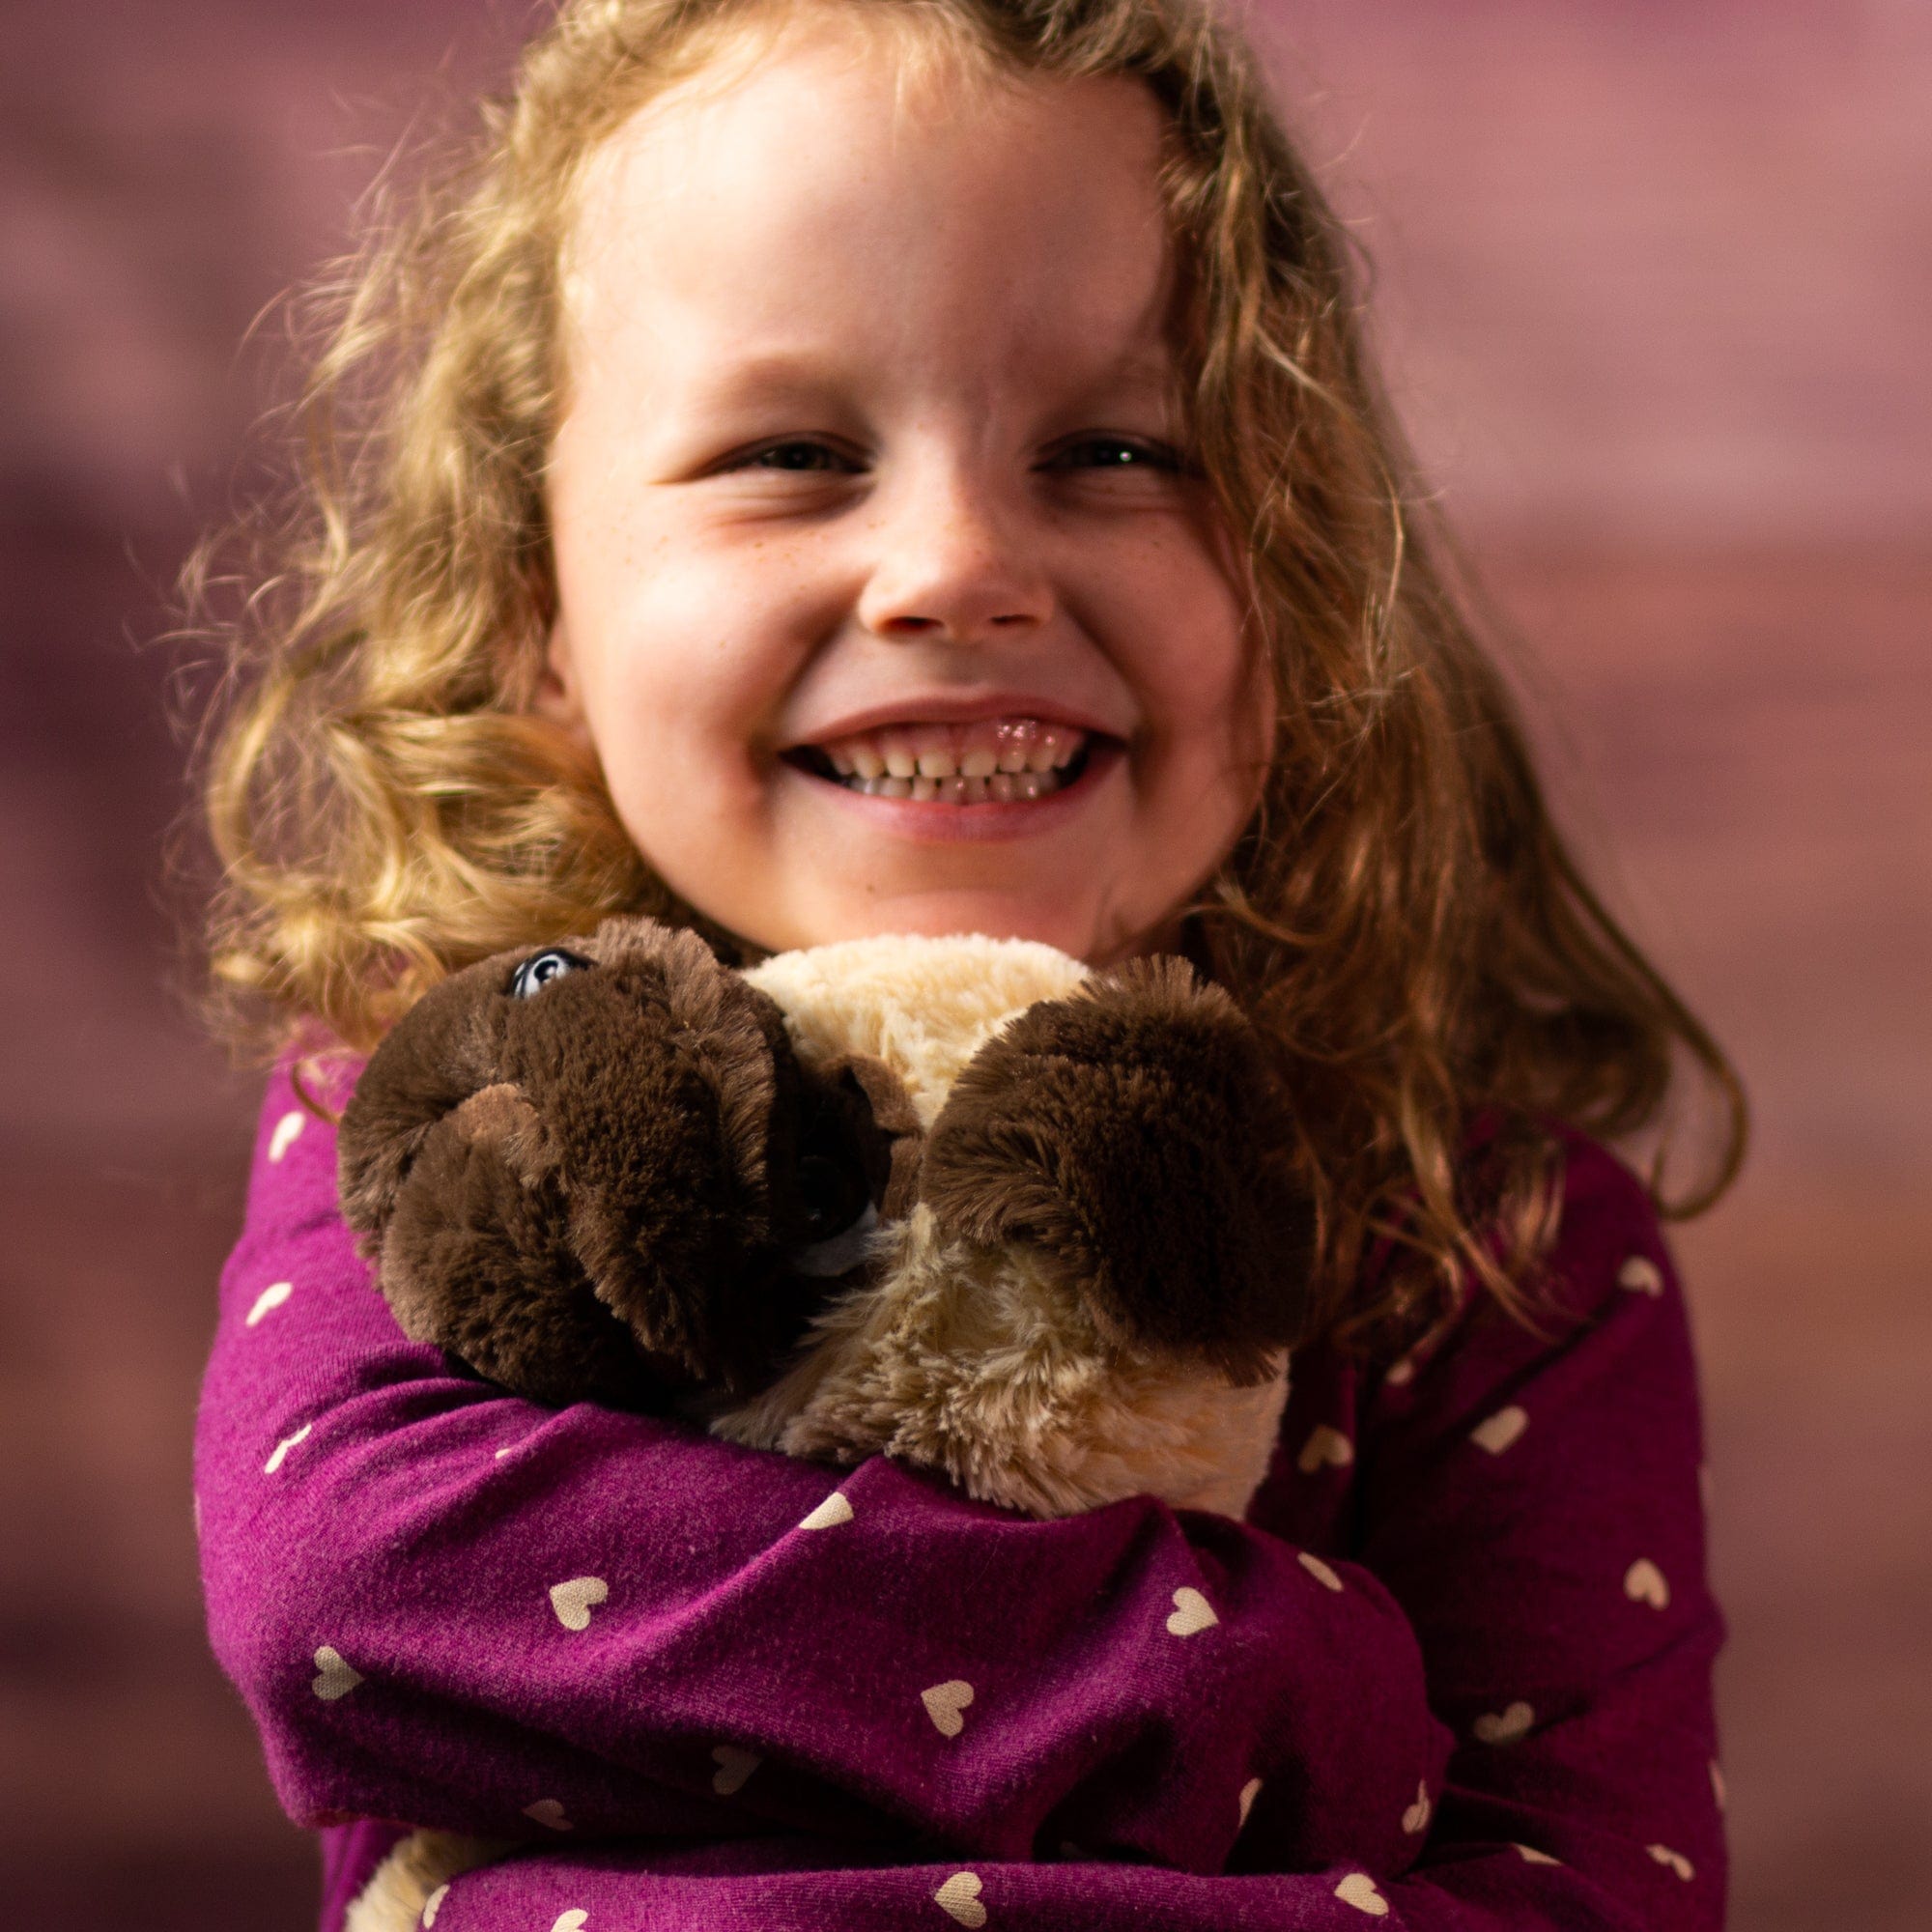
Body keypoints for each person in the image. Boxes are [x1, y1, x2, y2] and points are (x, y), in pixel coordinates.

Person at [190, 2, 1746, 1926]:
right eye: (786, 453)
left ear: (1301, 567)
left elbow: (1584, 1904)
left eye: (1114, 448)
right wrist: (1275, 1682)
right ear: (541, 623)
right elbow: (356, 1591)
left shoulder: (1489, 1234)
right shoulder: (452, 1103)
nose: (951, 565)